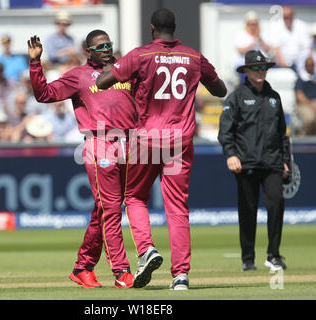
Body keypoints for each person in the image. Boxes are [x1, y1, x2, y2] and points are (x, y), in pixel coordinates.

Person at [96, 8, 227, 290]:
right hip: (180, 142)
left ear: (153, 29)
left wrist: (125, 74)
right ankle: (180, 276)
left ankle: (146, 250)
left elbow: (101, 82)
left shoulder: (140, 55)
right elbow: (220, 91)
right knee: (177, 208)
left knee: (133, 197)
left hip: (147, 140)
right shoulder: (193, 57)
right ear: (175, 28)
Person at [28, 29, 137, 288]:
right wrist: (35, 63)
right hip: (100, 143)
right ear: (88, 52)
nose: (106, 50)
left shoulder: (124, 72)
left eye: (108, 45)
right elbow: (44, 94)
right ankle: (121, 271)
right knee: (110, 209)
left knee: (104, 209)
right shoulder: (79, 75)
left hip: (129, 145)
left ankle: (83, 266)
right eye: (99, 47)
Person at [218, 50, 291, 272]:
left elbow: (282, 134)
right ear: (247, 70)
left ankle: (274, 255)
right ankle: (248, 259)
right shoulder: (237, 96)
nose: (260, 72)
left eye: (263, 68)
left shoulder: (274, 97)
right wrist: (231, 154)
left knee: (276, 204)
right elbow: (225, 130)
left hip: (272, 162)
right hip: (246, 163)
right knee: (248, 210)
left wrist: (286, 160)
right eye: (256, 68)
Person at [234, 11, 271, 83]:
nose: (253, 27)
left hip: (261, 64)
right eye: (251, 24)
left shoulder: (263, 35)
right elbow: (241, 51)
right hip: (245, 64)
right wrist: (253, 42)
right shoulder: (241, 35)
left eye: (255, 24)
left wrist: (260, 39)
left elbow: (268, 50)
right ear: (247, 24)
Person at [270, 5, 310, 71]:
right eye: (285, 17)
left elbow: (307, 48)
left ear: (293, 15)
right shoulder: (276, 26)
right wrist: (285, 66)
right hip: (282, 65)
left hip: (301, 64)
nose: (287, 18)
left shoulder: (302, 26)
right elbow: (276, 50)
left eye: (290, 16)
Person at [294, 56, 316, 135]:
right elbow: (299, 96)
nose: (311, 67)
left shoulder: (314, 78)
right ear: (305, 65)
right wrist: (311, 106)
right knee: (310, 118)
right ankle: (306, 136)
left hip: (314, 103)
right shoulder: (301, 79)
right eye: (309, 65)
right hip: (304, 104)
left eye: (312, 65)